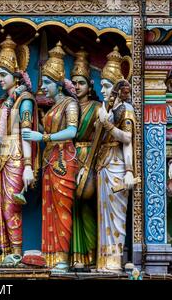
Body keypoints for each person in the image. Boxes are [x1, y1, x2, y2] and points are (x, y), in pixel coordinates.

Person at [22, 41, 79, 273]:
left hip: (64, 162)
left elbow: (72, 132)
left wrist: (43, 138)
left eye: (47, 82)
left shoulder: (70, 104)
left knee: (62, 209)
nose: (43, 87)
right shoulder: (54, 106)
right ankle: (51, 256)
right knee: (50, 209)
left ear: (58, 83)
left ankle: (63, 258)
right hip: (50, 162)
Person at [0, 35, 40, 261]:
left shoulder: (25, 101)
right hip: (4, 156)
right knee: (1, 208)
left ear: (15, 75)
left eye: (3, 75)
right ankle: (6, 254)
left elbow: (27, 135)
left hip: (18, 156)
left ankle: (18, 254)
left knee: (11, 207)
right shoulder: (5, 102)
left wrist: (29, 166)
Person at [95, 46, 135, 272]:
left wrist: (130, 171)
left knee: (116, 217)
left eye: (106, 86)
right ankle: (104, 262)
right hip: (104, 164)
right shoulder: (108, 110)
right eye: (101, 85)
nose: (102, 90)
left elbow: (127, 138)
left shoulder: (125, 110)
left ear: (117, 89)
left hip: (118, 165)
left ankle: (114, 261)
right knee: (104, 215)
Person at [70, 47, 101, 267]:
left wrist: (89, 162)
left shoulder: (97, 107)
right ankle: (76, 256)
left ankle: (92, 255)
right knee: (72, 209)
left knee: (89, 207)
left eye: (81, 82)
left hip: (90, 157)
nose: (77, 87)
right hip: (70, 158)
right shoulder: (67, 105)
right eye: (74, 82)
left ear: (90, 85)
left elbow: (101, 138)